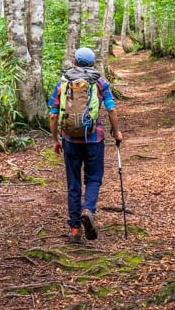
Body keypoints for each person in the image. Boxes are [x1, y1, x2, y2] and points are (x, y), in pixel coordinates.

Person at [49, 47, 123, 243]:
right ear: (92, 63)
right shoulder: (99, 82)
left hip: (70, 140)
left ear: (74, 61)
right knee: (94, 178)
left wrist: (56, 139)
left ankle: (74, 229)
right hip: (94, 138)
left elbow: (53, 114)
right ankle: (88, 209)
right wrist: (116, 132)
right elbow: (112, 109)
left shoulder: (62, 83)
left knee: (73, 183)